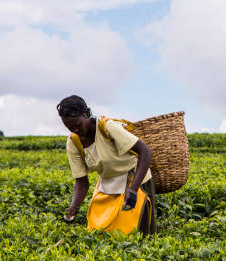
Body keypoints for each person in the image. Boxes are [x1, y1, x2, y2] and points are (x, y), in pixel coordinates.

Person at [57, 95, 157, 234]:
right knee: (101, 232)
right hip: (108, 185)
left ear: (86, 114)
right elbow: (81, 181)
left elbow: (145, 152)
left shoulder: (107, 127)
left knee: (135, 232)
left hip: (135, 180)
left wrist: (133, 190)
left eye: (77, 125)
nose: (76, 131)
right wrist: (73, 208)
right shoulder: (73, 142)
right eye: (70, 128)